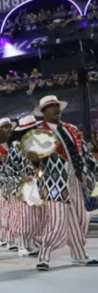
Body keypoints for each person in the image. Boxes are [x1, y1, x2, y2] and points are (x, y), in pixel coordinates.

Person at [30, 95, 97, 270]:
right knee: (57, 220)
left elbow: (84, 153)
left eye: (57, 106)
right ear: (43, 112)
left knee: (81, 219)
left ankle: (79, 255)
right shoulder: (38, 133)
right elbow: (31, 161)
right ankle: (43, 257)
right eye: (51, 107)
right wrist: (34, 162)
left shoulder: (72, 129)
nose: (56, 109)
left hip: (76, 179)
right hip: (54, 182)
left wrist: (94, 170)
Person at [3, 115, 43, 257]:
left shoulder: (36, 146)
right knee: (22, 216)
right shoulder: (15, 147)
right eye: (33, 129)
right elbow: (9, 169)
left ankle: (30, 243)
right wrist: (20, 179)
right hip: (20, 185)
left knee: (33, 216)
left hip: (34, 184)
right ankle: (21, 244)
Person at [0, 118, 16, 251]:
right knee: (4, 210)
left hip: (13, 183)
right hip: (3, 183)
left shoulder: (13, 147)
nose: (8, 129)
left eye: (9, 126)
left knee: (12, 211)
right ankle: (2, 236)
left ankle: (11, 237)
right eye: (5, 127)